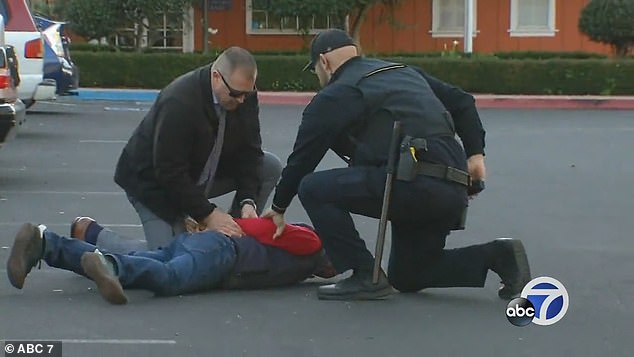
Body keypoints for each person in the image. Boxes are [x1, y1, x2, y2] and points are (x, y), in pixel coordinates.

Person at [262, 29, 531, 300]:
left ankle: (364, 274)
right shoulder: (402, 72)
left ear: (324, 62)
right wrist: (475, 156)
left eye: (316, 71)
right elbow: (462, 101)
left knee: (312, 187)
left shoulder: (337, 93)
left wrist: (278, 206)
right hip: (452, 184)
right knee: (409, 274)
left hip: (412, 183)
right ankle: (501, 256)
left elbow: (303, 158)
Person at [97, 46, 282, 253]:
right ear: (216, 77)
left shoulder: (244, 95)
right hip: (154, 185)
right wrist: (207, 214)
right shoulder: (180, 102)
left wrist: (248, 201)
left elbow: (250, 151)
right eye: (236, 94)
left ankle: (232, 239)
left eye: (247, 94)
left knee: (270, 165)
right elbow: (169, 173)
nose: (241, 100)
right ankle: (93, 235)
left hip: (198, 174)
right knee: (171, 259)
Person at [6, 218, 332, 305]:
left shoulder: (302, 267)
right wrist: (228, 224)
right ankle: (111, 268)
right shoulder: (312, 241)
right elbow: (263, 226)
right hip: (222, 253)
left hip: (207, 247)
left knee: (142, 260)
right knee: (170, 277)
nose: (333, 271)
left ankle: (45, 243)